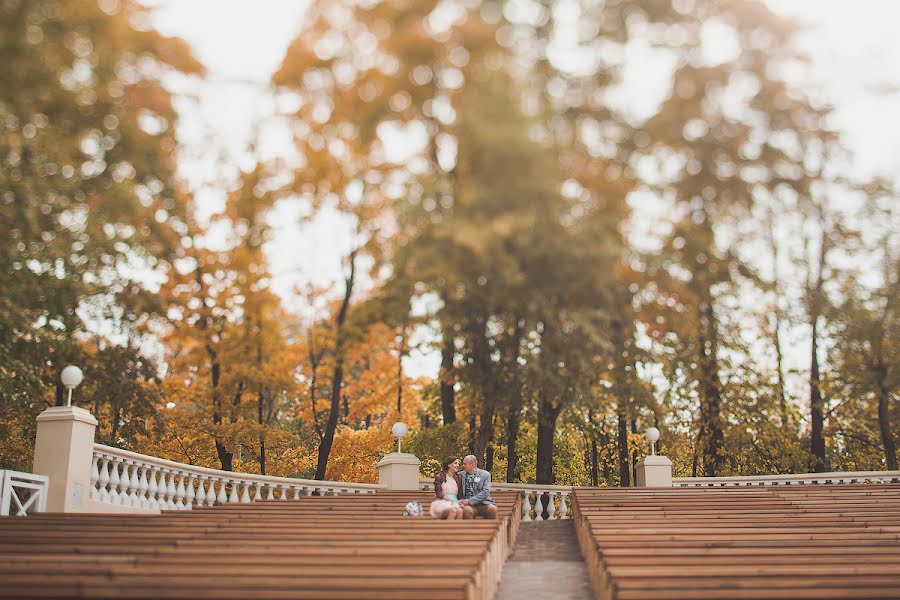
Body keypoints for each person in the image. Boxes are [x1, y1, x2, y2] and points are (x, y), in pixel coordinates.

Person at [458, 455, 498, 519]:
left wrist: (469, 501)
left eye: (465, 464)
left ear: (472, 465)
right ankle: (469, 529)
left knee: (492, 509)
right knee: (467, 511)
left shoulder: (485, 475)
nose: (463, 465)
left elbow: (485, 492)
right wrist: (461, 500)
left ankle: (494, 528)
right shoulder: (460, 475)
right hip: (469, 506)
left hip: (484, 504)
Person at [430, 455, 464, 519]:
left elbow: (460, 495)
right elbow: (439, 493)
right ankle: (448, 528)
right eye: (455, 463)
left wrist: (461, 501)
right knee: (453, 511)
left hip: (455, 502)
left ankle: (458, 529)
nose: (457, 465)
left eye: (458, 464)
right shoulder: (440, 477)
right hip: (443, 502)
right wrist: (450, 500)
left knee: (460, 511)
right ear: (449, 465)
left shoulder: (459, 478)